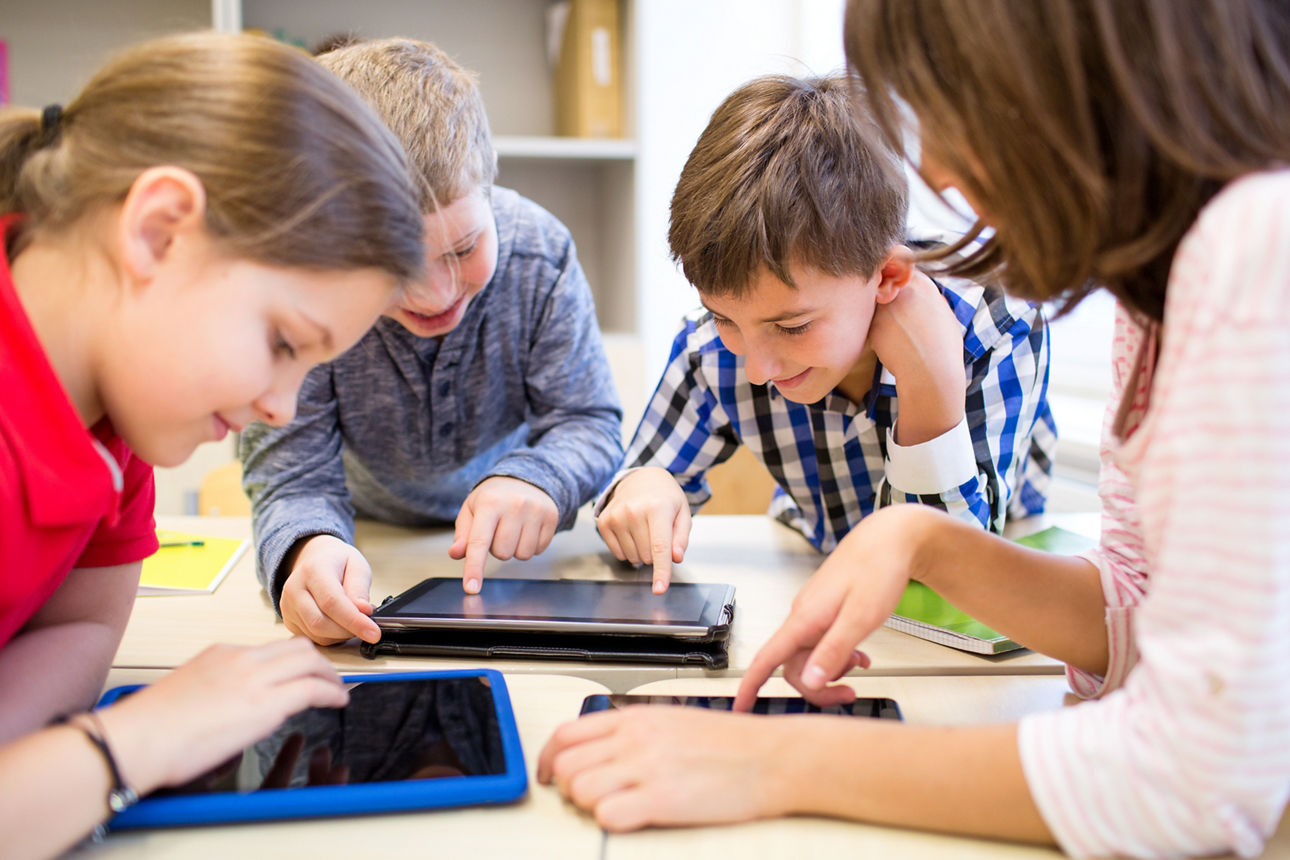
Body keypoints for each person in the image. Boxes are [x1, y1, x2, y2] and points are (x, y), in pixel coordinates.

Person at [538, 1, 1290, 856]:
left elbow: (1199, 778)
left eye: (946, 106)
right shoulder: (1154, 297)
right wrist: (920, 539)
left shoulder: (1251, 244)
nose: (930, 163)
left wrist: (780, 759)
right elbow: (1134, 611)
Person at [0, 31, 427, 857]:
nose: (283, 406)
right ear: (159, 231)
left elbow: (83, 627)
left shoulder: (115, 410)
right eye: (281, 343)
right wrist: (135, 742)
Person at [595, 73, 1055, 592]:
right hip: (820, 563)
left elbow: (948, 571)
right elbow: (630, 488)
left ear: (887, 278)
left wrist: (931, 385)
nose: (757, 367)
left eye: (792, 327)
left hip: (995, 590)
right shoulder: (712, 350)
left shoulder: (996, 321)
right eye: (724, 317)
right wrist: (644, 486)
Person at [239, 38, 623, 647]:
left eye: (464, 248)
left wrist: (538, 476)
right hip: (366, 542)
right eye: (395, 267)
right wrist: (308, 549)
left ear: (490, 175)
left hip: (519, 559)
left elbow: (589, 420)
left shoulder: (540, 254)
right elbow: (293, 475)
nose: (435, 293)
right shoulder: (307, 286)